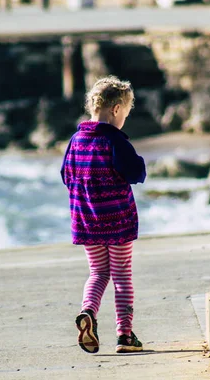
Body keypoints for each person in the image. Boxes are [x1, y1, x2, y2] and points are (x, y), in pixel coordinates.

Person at [61, 76, 147, 354]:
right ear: (117, 109)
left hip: (86, 221)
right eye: (127, 112)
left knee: (98, 272)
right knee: (121, 275)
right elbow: (135, 173)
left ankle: (88, 311)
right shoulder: (114, 140)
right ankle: (125, 335)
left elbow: (66, 175)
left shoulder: (76, 140)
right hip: (117, 221)